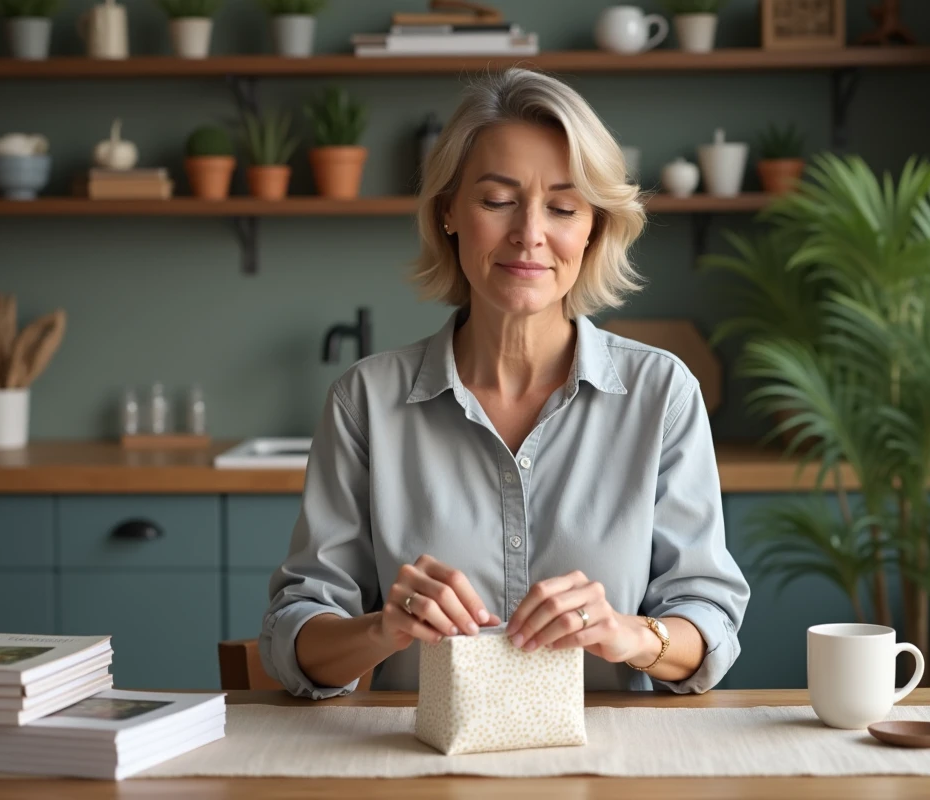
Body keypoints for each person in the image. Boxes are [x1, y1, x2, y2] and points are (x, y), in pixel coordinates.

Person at [260, 68, 749, 698]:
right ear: (448, 215)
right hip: (417, 767)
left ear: (593, 228)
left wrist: (627, 635)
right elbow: (294, 635)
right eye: (497, 200)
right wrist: (384, 630)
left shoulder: (663, 395)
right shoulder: (364, 403)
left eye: (564, 207)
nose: (530, 234)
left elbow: (710, 624)